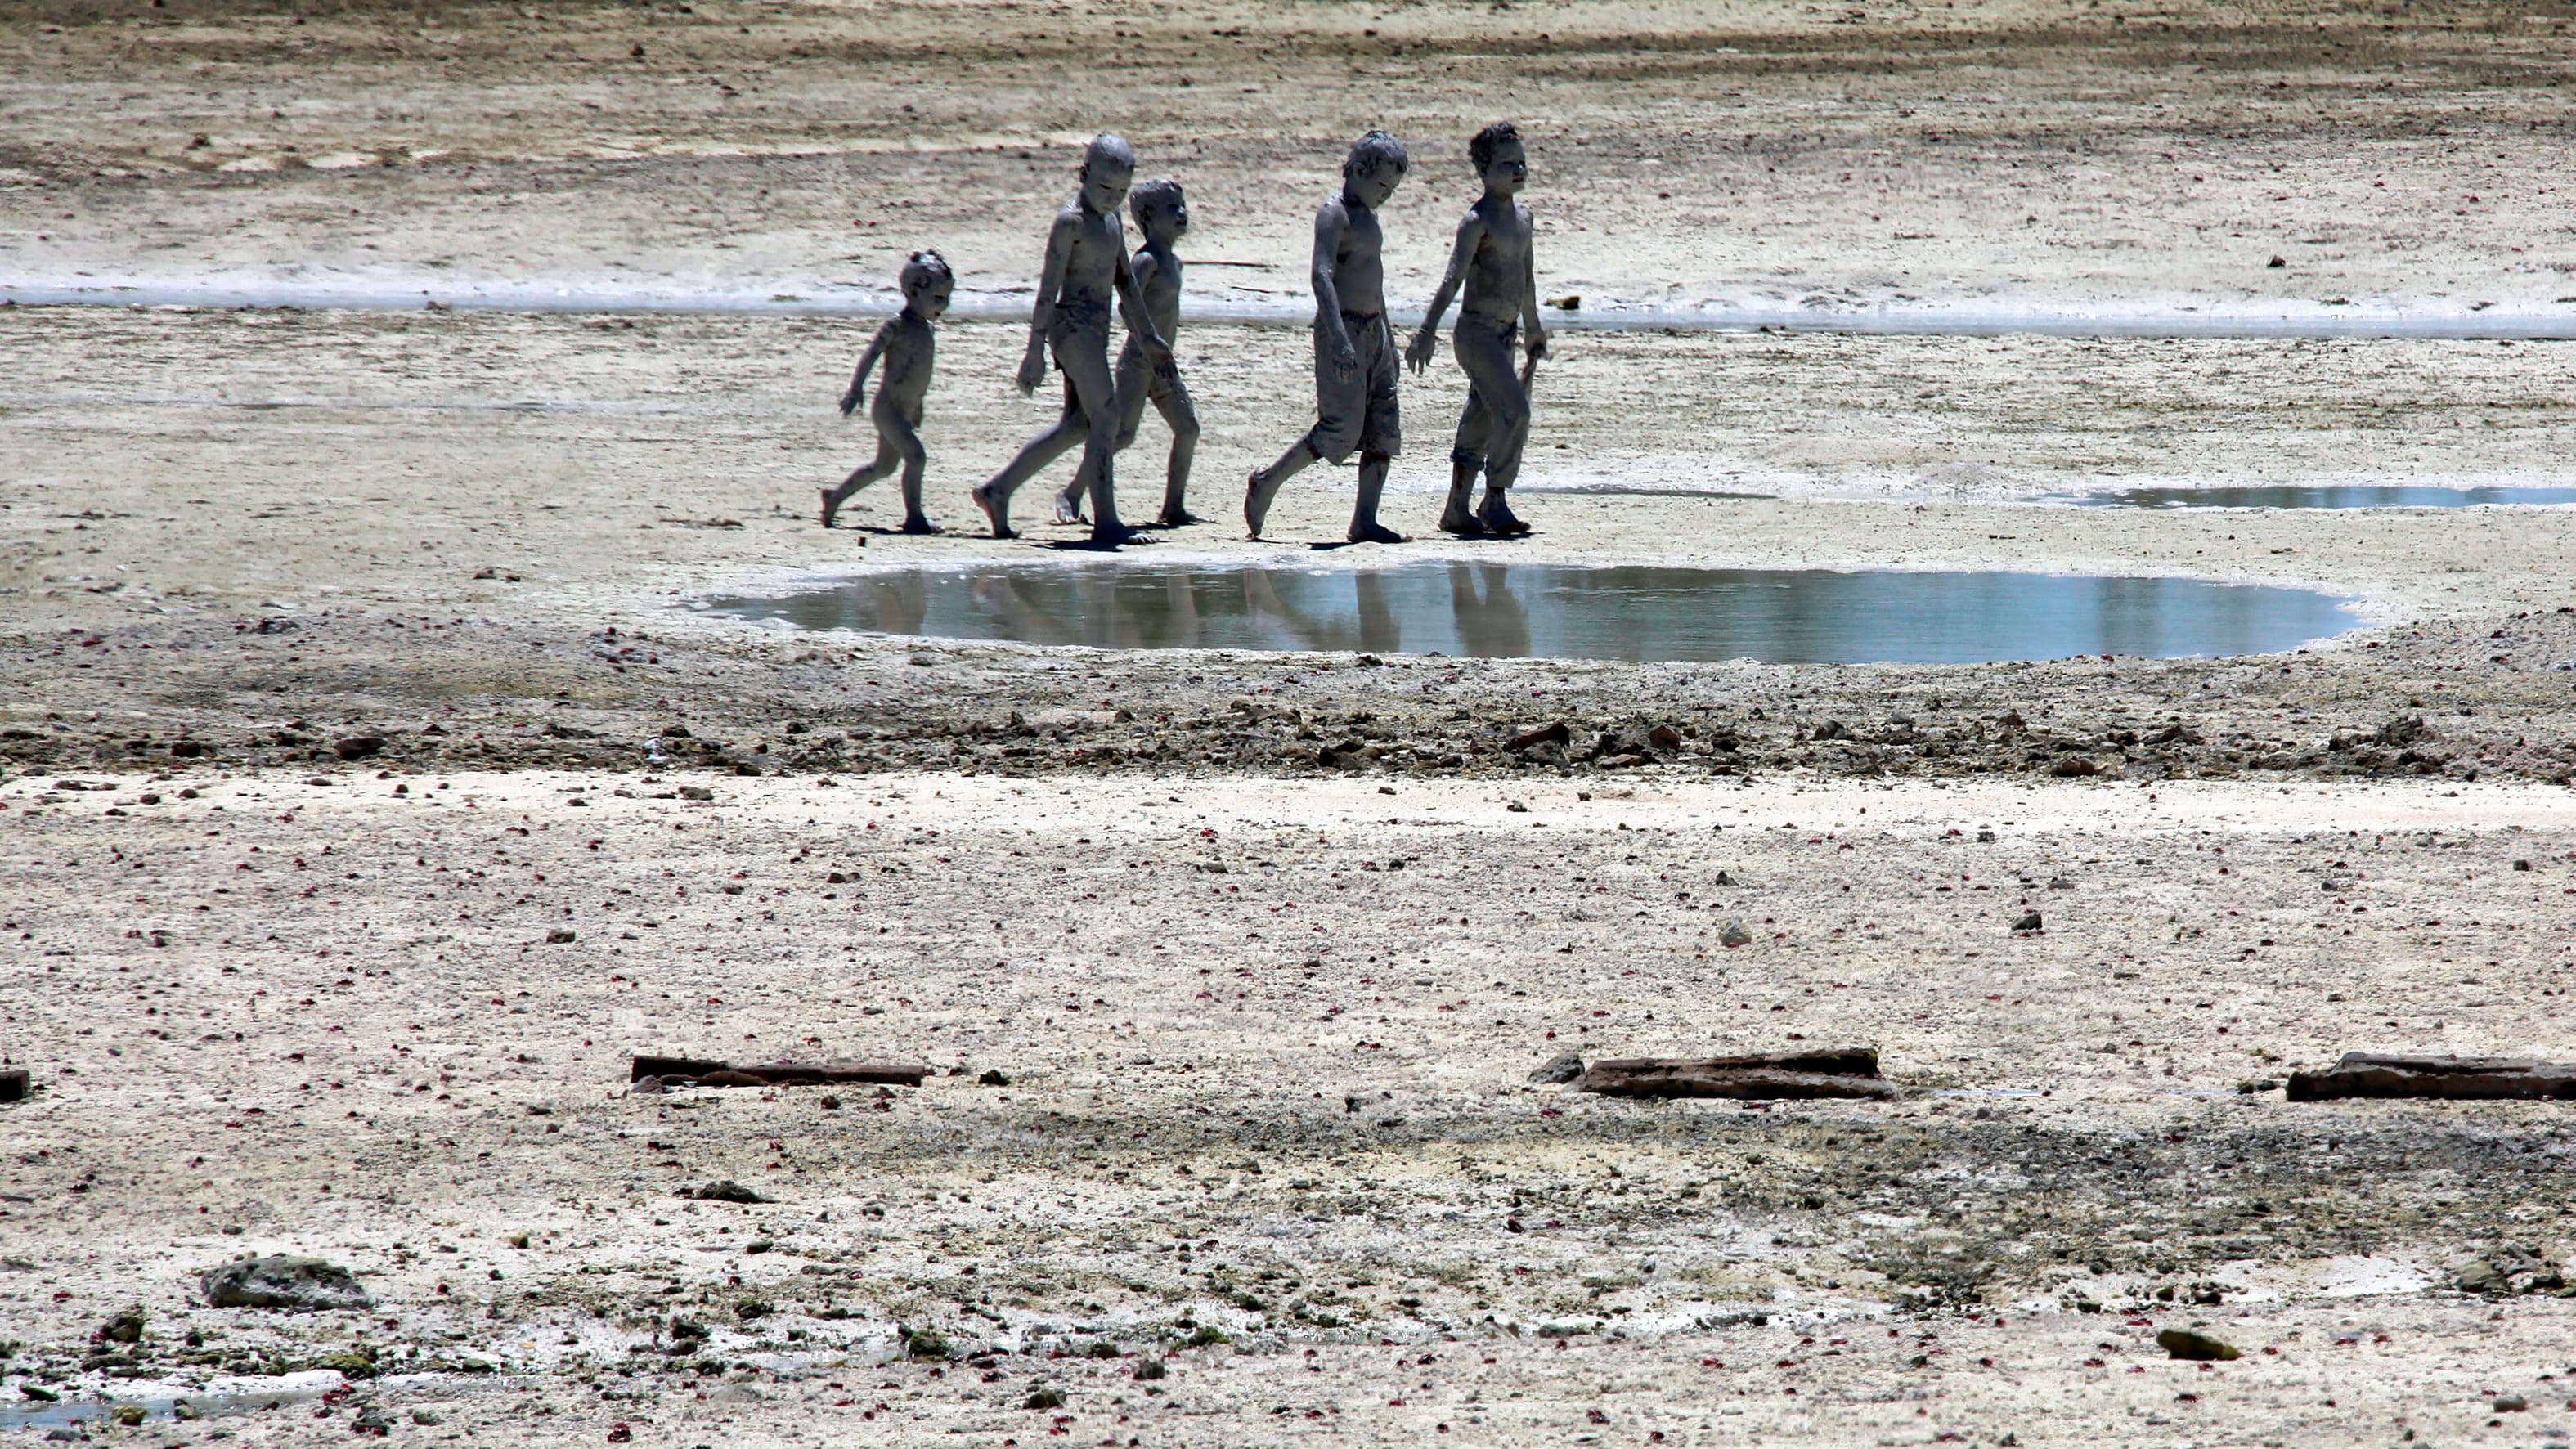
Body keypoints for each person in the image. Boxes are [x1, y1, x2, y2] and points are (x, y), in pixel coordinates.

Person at [972, 133, 1174, 545]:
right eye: (1104, 188)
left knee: (1077, 424)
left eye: (1121, 192)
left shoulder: (1113, 221)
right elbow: (1047, 290)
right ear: (1083, 175)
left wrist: (1148, 335)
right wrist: (1034, 352)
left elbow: (1127, 286)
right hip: (1071, 329)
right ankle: (1107, 523)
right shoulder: (1071, 223)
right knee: (1108, 416)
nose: (1112, 198)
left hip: (1096, 331)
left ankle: (997, 490)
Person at [1244, 130, 1412, 544]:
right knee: (1341, 427)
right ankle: (1267, 482)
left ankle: (1365, 520)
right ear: (1357, 171)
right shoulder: (1333, 214)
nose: (1386, 194)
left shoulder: (1370, 219)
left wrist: (1388, 338)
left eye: (1392, 188)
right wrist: (1337, 334)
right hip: (1343, 328)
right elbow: (1321, 275)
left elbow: (1376, 282)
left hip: (1375, 330)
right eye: (1382, 185)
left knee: (1383, 428)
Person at [1408, 121, 1545, 537]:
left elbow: (1527, 276)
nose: (1518, 170)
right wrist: (1427, 331)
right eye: (1507, 164)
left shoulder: (1524, 217)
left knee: (1482, 418)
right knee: (1514, 411)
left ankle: (1456, 509)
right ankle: (1496, 499)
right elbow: (1452, 279)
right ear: (1484, 171)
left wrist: (1534, 329)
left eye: (1521, 162)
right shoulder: (1476, 221)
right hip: (1476, 334)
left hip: (1506, 334)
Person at [1075, 176, 1201, 529]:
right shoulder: (1146, 260)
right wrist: (1146, 340)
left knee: (1188, 429)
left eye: (1182, 205)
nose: (1182, 213)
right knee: (1123, 435)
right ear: (1146, 217)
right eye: (1171, 208)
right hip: (1137, 363)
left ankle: (1173, 507)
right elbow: (1125, 306)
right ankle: (1073, 492)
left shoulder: (1174, 263)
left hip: (1163, 366)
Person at [821, 249, 954, 533]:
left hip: (905, 409)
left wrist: (918, 407)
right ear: (914, 292)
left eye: (947, 298)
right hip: (887, 409)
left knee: (883, 467)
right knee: (916, 456)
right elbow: (871, 354)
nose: (945, 305)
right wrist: (856, 388)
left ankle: (835, 496)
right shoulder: (898, 325)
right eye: (939, 298)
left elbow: (919, 375)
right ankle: (914, 516)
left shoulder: (927, 329)